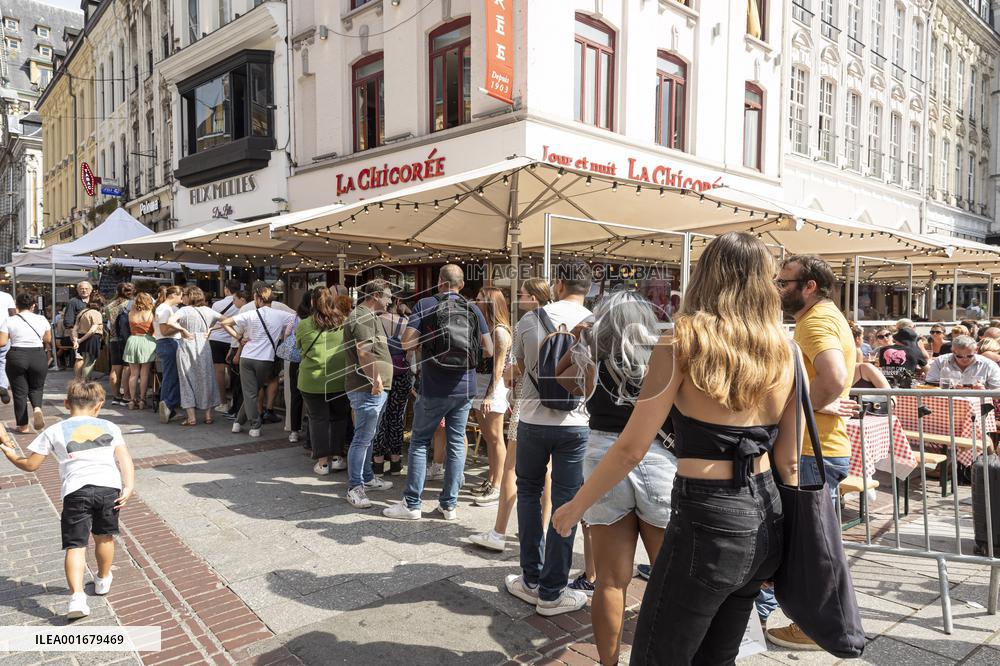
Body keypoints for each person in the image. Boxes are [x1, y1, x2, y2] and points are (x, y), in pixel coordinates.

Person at [551, 232, 799, 663]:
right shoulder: (787, 349)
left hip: (707, 512)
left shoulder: (681, 344)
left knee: (657, 652)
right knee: (717, 654)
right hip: (766, 512)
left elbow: (631, 448)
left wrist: (574, 507)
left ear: (705, 277)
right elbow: (789, 460)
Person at [556, 290, 675, 665]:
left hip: (601, 459)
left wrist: (581, 335)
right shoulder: (664, 358)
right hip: (656, 458)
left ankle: (608, 663)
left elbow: (560, 380)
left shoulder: (593, 360)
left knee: (610, 581)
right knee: (667, 580)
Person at [768, 254, 857, 649]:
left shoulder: (816, 320)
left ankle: (808, 627)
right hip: (819, 446)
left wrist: (810, 405)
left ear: (809, 287)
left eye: (784, 282)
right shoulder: (825, 317)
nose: (778, 288)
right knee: (809, 543)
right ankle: (803, 620)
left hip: (809, 449)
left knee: (805, 548)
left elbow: (836, 376)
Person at [503, 260, 593, 617]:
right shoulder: (596, 323)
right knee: (566, 502)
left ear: (558, 285)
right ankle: (553, 592)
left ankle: (530, 578)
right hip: (576, 424)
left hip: (532, 420)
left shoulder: (530, 320)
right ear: (587, 289)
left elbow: (519, 369)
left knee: (528, 493)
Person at [0, 380, 135, 619]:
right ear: (99, 405)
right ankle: (103, 580)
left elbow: (31, 465)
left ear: (66, 403)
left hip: (76, 492)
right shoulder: (110, 426)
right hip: (108, 489)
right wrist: (128, 486)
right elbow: (124, 459)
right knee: (104, 537)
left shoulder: (54, 430)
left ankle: (77, 599)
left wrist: (10, 453)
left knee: (76, 545)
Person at [383, 265, 493, 521]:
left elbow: (407, 343)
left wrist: (430, 345)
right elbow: (488, 349)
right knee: (456, 443)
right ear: (461, 285)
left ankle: (412, 504)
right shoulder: (473, 308)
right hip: (465, 387)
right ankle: (449, 505)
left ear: (439, 282)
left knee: (420, 442)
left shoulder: (425, 304)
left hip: (433, 386)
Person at [469, 278, 554, 552]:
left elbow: (511, 372)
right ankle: (542, 528)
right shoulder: (572, 321)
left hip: (528, 405)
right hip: (560, 409)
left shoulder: (525, 324)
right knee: (549, 471)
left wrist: (506, 378)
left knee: (512, 468)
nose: (519, 298)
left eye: (522, 294)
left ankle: (499, 532)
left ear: (532, 298)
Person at [342, 279, 396, 508]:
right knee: (363, 437)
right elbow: (363, 353)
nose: (390, 300)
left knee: (368, 435)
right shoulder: (362, 316)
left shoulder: (368, 316)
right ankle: (355, 487)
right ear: (375, 296)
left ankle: (366, 478)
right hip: (367, 387)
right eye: (387, 296)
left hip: (373, 387)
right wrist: (375, 379)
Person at [220, 285, 295, 438]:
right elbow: (296, 318)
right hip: (265, 359)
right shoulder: (281, 315)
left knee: (250, 392)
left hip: (246, 357)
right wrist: (285, 335)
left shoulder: (251, 314)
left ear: (258, 299)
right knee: (252, 392)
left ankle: (239, 422)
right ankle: (254, 425)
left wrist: (239, 338)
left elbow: (224, 323)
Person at [297, 287, 351, 476]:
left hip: (312, 380)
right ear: (332, 301)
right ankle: (337, 458)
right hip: (340, 378)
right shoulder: (344, 321)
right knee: (339, 417)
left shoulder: (304, 324)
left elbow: (300, 347)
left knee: (318, 419)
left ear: (312, 302)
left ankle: (322, 463)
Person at [470, 287, 513, 505]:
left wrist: (488, 395)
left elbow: (498, 367)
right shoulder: (488, 328)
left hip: (492, 388)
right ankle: (491, 479)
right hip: (482, 385)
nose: (475, 302)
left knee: (496, 438)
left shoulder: (500, 331)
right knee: (489, 437)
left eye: (479, 299)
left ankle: (497, 485)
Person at [168, 287, 223, 426]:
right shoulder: (208, 310)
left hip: (187, 345)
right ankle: (208, 415)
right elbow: (227, 320)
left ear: (190, 296)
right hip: (204, 346)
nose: (183, 298)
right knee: (206, 378)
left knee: (187, 379)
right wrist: (211, 329)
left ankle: (191, 417)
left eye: (184, 295)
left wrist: (182, 329)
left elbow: (169, 322)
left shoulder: (183, 310)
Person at [0, 293, 51, 433]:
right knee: (37, 388)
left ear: (16, 306)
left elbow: (2, 342)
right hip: (38, 355)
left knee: (19, 392)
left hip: (17, 355)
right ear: (33, 305)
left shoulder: (9, 320)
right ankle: (37, 408)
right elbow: (47, 339)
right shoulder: (41, 319)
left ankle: (23, 425)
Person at [373, 299, 413, 475]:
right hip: (401, 374)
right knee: (396, 418)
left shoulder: (376, 321)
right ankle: (396, 462)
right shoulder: (405, 323)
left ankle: (378, 463)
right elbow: (411, 351)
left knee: (380, 419)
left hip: (380, 374)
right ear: (397, 303)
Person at [209, 279, 243, 411]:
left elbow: (212, 323)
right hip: (233, 341)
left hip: (216, 340)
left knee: (219, 372)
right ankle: (235, 400)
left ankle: (223, 402)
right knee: (233, 372)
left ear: (226, 289)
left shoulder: (217, 304)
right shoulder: (240, 303)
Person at [282, 294, 311, 444]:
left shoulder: (295, 317)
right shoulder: (317, 318)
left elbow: (287, 334)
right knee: (311, 396)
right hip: (311, 360)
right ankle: (310, 430)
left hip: (295, 360)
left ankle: (294, 430)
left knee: (295, 395)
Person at [154, 286, 184, 423]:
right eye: (180, 295)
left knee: (170, 376)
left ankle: (167, 406)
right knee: (171, 376)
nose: (182, 298)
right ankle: (167, 405)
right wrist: (181, 329)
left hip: (167, 343)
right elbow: (165, 331)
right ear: (173, 295)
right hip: (168, 342)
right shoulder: (165, 309)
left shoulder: (165, 308)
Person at [123, 292, 157, 411]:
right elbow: (154, 330)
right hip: (147, 341)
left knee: (133, 374)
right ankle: (142, 400)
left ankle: (132, 400)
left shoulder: (131, 313)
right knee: (144, 373)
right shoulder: (150, 313)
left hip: (132, 341)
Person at [925, 335, 1000, 388]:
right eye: (959, 356)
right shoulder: (940, 361)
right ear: (952, 351)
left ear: (976, 350)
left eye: (970, 356)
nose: (965, 359)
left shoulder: (988, 365)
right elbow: (929, 384)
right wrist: (950, 387)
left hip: (979, 407)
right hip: (947, 405)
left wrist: (984, 392)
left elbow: (997, 390)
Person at [104, 283, 134, 406]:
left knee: (115, 369)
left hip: (113, 339)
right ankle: (126, 396)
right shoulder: (131, 304)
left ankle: (116, 396)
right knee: (128, 368)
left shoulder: (109, 306)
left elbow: (109, 325)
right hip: (128, 339)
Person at [73, 293, 105, 380]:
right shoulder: (97, 313)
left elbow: (75, 328)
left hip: (82, 338)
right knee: (89, 362)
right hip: (92, 338)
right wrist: (79, 340)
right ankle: (85, 383)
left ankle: (84, 381)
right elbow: (93, 330)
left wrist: (77, 340)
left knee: (85, 360)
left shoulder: (82, 312)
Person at [65, 281, 92, 376]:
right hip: (79, 335)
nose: (84, 290)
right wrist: (73, 338)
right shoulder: (73, 302)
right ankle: (78, 381)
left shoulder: (94, 301)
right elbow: (68, 321)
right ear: (77, 290)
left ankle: (86, 380)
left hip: (92, 335)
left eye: (86, 288)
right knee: (80, 358)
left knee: (90, 358)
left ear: (91, 290)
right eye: (81, 289)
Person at [0, 286, 16, 405]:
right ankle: (3, 385)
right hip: (3, 332)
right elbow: (13, 314)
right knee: (3, 360)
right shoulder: (7, 296)